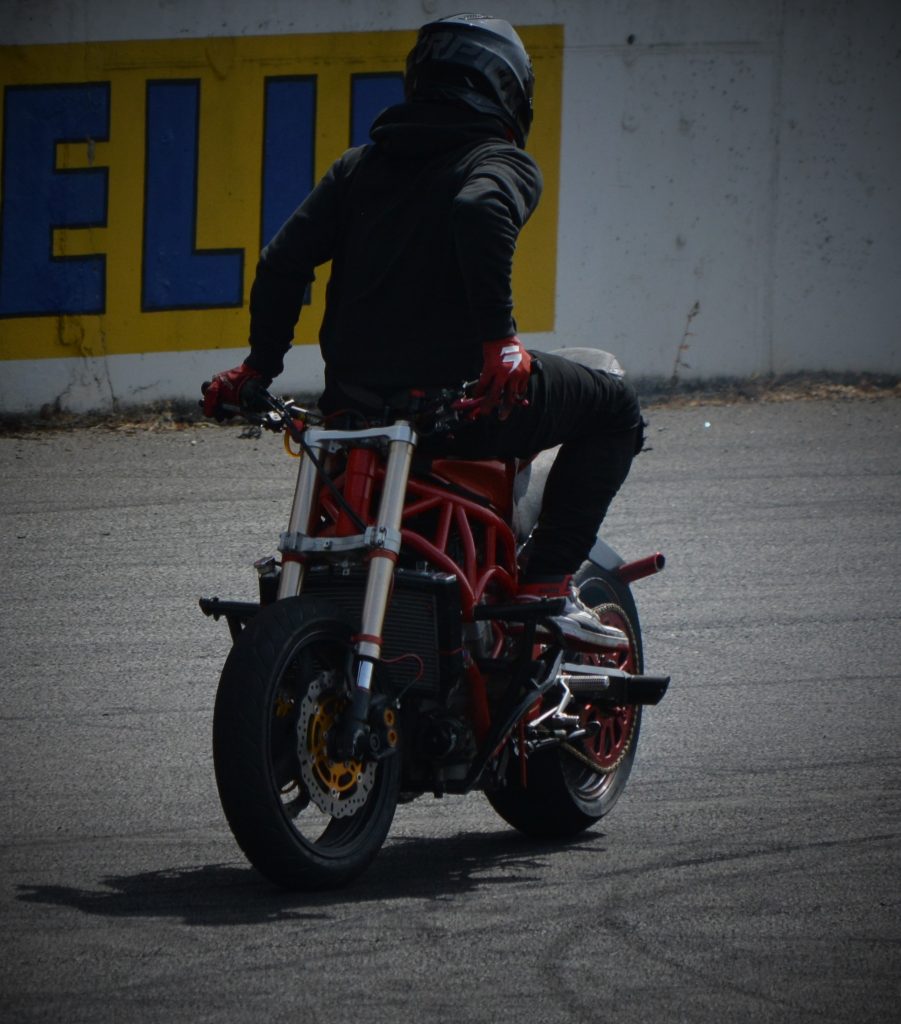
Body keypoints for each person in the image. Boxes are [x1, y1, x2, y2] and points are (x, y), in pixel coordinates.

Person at [202, 13, 644, 635]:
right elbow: (479, 208)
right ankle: (544, 587)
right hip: (463, 413)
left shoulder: (360, 167)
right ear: (509, 93)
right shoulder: (498, 161)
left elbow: (282, 262)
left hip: (355, 416)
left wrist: (259, 366)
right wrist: (501, 342)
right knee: (616, 408)